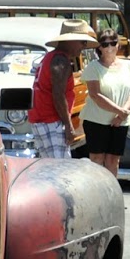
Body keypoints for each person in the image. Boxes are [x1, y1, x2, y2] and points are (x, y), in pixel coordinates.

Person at [27, 20, 97, 159]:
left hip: (42, 119)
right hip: (51, 120)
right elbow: (58, 95)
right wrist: (68, 125)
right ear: (70, 41)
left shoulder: (51, 57)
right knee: (59, 169)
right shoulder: (61, 60)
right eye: (82, 42)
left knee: (49, 167)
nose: (83, 46)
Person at [78, 26, 130, 176]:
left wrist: (122, 115)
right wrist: (121, 112)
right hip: (96, 120)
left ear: (118, 44)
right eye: (105, 44)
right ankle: (97, 192)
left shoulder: (128, 65)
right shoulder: (93, 67)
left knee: (113, 160)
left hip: (121, 121)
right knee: (97, 159)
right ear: (99, 47)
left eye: (113, 43)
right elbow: (95, 94)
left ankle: (111, 193)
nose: (110, 47)